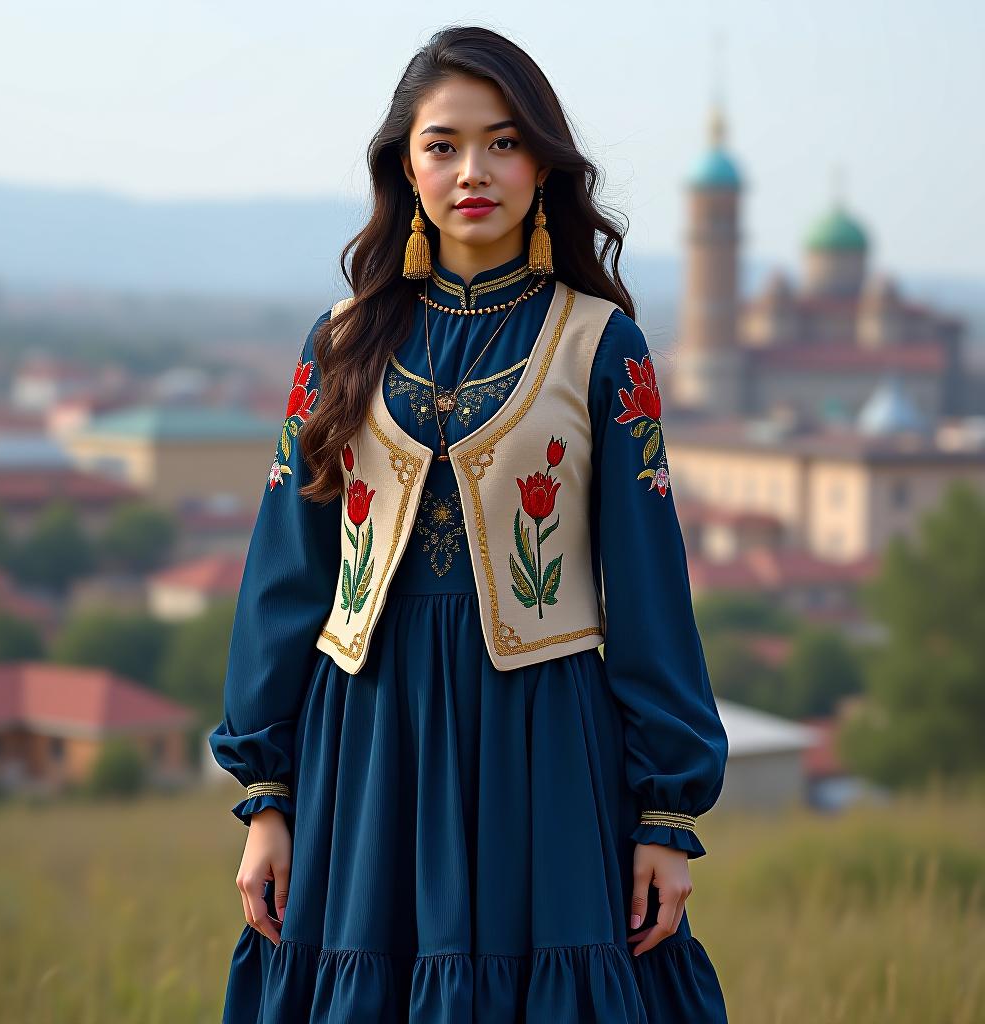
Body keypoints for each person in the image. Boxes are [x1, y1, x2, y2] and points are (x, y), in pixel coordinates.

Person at [209, 24, 730, 1023]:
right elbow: (287, 574)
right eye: (442, 145)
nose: (472, 171)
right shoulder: (340, 341)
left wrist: (664, 814)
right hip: (363, 743)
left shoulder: (601, 344)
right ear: (405, 166)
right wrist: (265, 797)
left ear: (542, 161)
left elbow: (650, 586)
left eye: (503, 141)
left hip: (541, 739)